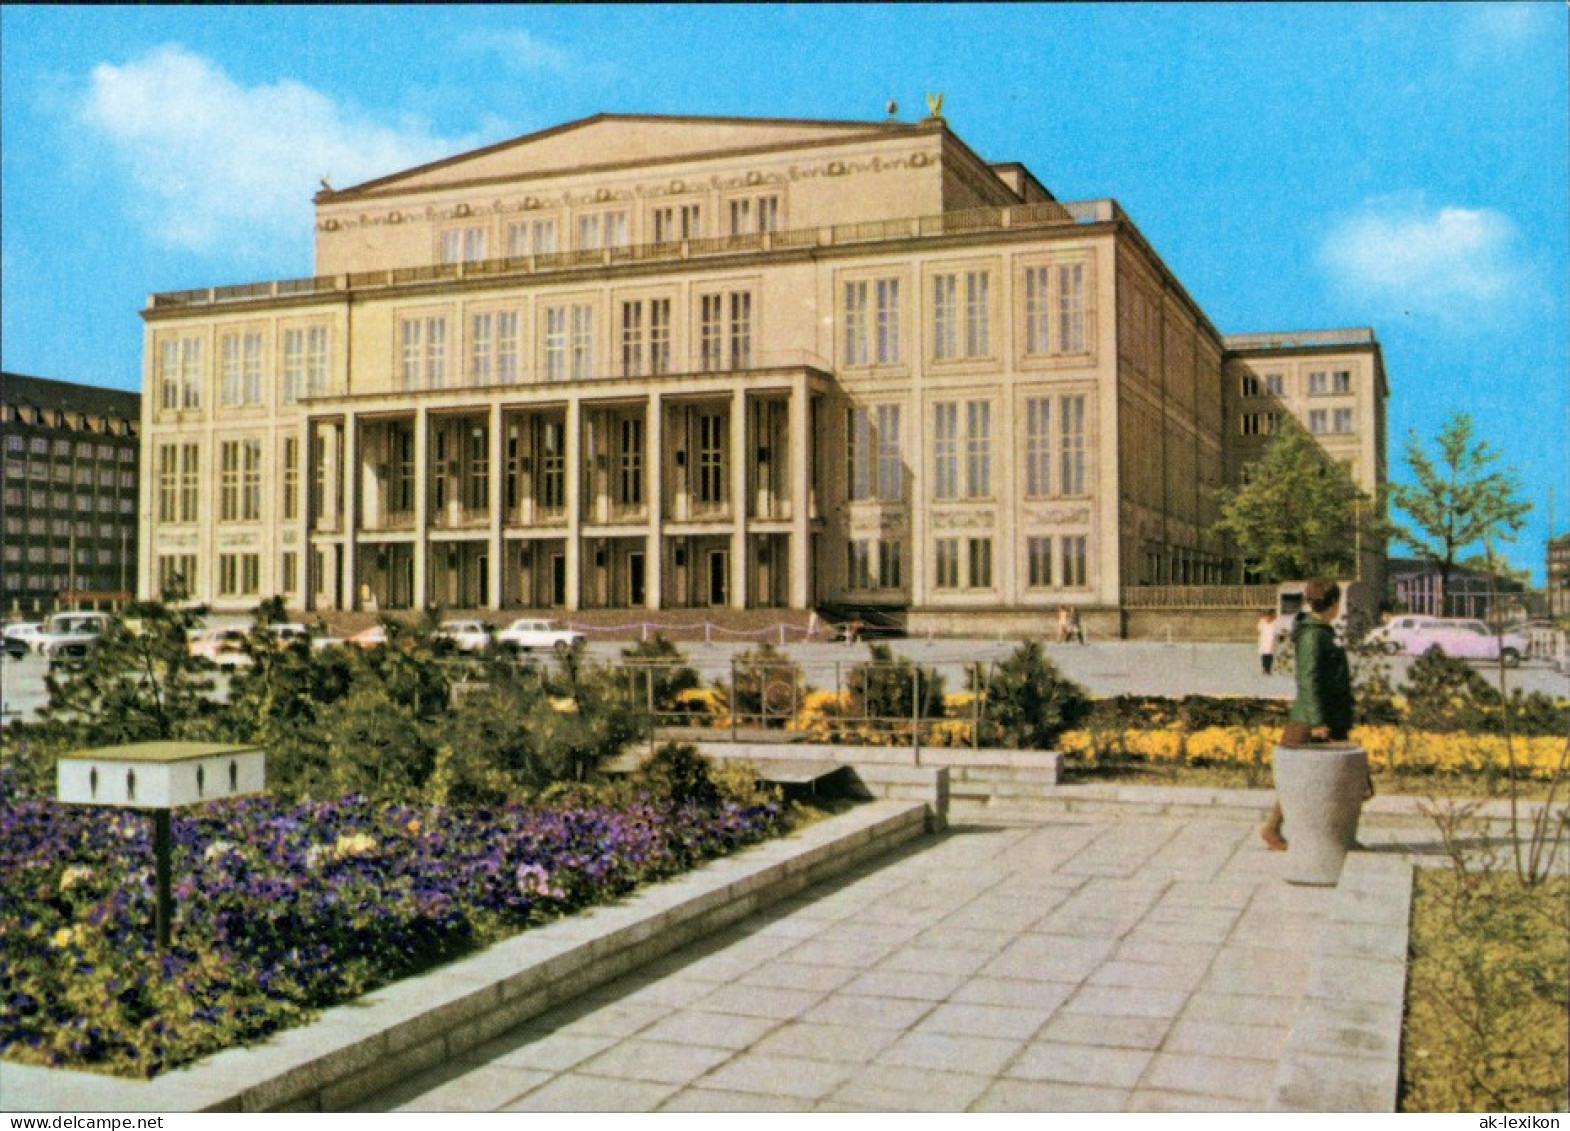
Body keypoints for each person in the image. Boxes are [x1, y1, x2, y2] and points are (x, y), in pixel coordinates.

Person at [1261, 580, 1355, 851]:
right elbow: (1308, 679)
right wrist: (1316, 722)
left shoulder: (1320, 632)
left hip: (1325, 716)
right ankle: (1273, 829)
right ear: (1334, 604)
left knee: (1335, 779)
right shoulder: (1313, 635)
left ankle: (1336, 836)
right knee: (1304, 778)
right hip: (1311, 718)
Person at [1257, 610, 1279, 676]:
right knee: (1264, 655)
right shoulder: (1262, 622)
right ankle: (1265, 669)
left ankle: (1268, 669)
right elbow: (1259, 629)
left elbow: (1277, 631)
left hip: (1271, 641)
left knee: (1270, 656)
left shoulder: (1275, 622)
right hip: (1264, 641)